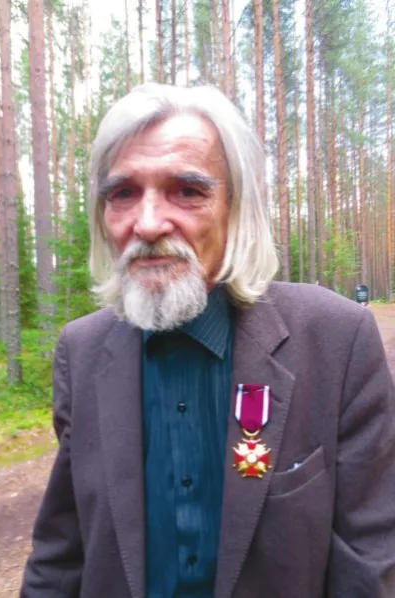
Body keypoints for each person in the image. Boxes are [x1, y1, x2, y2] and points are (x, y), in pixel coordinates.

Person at [21, 83, 395, 598]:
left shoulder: (335, 340)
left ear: (235, 208)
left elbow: (371, 560)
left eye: (186, 190)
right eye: (123, 193)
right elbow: (61, 553)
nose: (148, 224)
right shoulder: (80, 351)